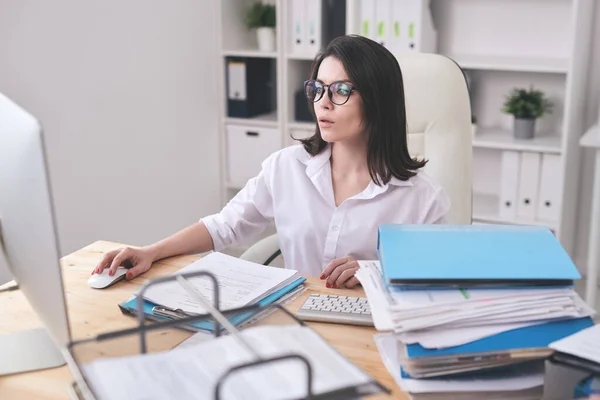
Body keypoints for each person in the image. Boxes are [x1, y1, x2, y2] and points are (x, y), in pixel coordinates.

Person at [92, 35, 451, 289]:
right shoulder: (286, 167)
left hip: (373, 327)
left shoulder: (422, 197)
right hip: (298, 320)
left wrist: (374, 271)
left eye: (341, 90)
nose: (323, 103)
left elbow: (438, 278)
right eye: (318, 88)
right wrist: (150, 252)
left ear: (378, 101)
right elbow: (225, 226)